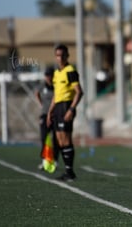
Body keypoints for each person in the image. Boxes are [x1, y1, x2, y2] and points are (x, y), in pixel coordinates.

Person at [47, 44, 83, 182]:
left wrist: (71, 110)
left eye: (62, 55)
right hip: (57, 108)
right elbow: (56, 95)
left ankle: (70, 172)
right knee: (60, 141)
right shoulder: (56, 73)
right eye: (57, 55)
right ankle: (68, 172)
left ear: (67, 56)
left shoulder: (70, 70)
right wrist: (50, 112)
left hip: (66, 107)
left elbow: (79, 92)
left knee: (66, 139)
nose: (60, 58)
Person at [35, 66, 59, 170]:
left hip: (55, 115)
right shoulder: (42, 86)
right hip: (45, 114)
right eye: (47, 75)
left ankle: (55, 160)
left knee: (56, 139)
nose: (48, 77)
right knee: (44, 138)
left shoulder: (57, 86)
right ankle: (45, 160)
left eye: (50, 75)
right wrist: (41, 104)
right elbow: (37, 93)